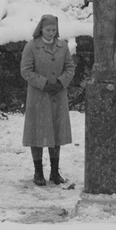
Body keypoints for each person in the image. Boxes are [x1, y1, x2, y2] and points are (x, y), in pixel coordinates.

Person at [21, 14, 76, 186]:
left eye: (54, 30)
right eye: (48, 30)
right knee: (37, 133)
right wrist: (44, 84)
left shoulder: (62, 46)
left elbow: (70, 67)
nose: (51, 33)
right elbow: (26, 70)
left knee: (56, 133)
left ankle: (54, 171)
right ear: (41, 29)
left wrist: (61, 82)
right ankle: (38, 172)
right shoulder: (31, 47)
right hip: (38, 97)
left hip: (57, 96)